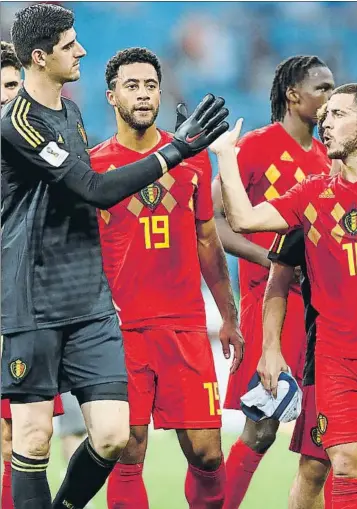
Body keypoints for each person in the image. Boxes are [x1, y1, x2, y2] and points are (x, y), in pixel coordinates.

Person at [1, 4, 229, 509]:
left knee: (112, 437)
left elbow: (207, 235)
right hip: (34, 299)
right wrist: (176, 149)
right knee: (34, 440)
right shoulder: (16, 122)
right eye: (69, 45)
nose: (80, 50)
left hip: (92, 304)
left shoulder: (72, 113)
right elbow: (95, 189)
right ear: (40, 57)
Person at [212, 83, 357, 507]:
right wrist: (226, 157)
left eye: (337, 115)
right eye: (324, 115)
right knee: (343, 463)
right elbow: (244, 219)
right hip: (336, 357)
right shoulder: (311, 194)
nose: (325, 123)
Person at [89, 46, 244, 509]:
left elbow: (207, 243)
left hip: (185, 326)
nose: (143, 94)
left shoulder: (192, 160)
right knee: (127, 449)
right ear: (111, 96)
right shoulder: (94, 167)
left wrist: (229, 314)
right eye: (131, 86)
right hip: (120, 331)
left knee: (207, 454)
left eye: (150, 86)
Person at [211, 55, 335, 508]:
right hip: (269, 298)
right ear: (293, 94)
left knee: (322, 446)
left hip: (323, 311)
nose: (329, 98)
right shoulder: (255, 146)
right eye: (322, 88)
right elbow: (212, 222)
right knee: (261, 428)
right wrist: (273, 257)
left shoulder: (328, 157)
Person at [0, 40, 66, 509]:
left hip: (25, 310)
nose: (12, 95)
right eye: (4, 86)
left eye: (15, 84)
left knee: (19, 437)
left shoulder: (37, 151)